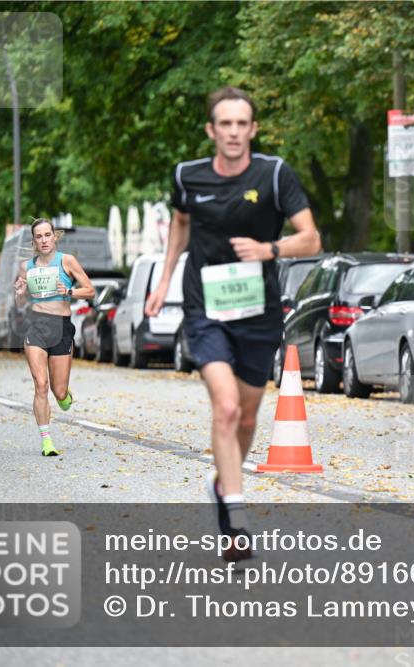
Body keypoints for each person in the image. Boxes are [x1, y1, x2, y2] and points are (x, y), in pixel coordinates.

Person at [145, 86, 320, 561]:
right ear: (211, 130)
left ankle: (222, 483)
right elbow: (181, 224)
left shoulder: (275, 173)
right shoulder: (187, 176)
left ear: (253, 129)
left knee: (245, 415)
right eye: (225, 124)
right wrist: (163, 282)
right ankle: (237, 515)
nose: (234, 133)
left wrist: (270, 250)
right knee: (224, 407)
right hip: (206, 310)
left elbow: (311, 238)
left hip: (258, 312)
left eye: (243, 124)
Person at [13, 218, 95, 456]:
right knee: (41, 385)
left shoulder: (67, 261)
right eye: (39, 237)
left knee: (59, 392)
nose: (44, 240)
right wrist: (19, 294)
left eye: (47, 235)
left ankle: (64, 396)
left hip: (61, 327)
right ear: (34, 241)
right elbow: (20, 302)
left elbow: (90, 290)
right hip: (37, 326)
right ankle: (46, 441)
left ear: (54, 236)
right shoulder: (26, 267)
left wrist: (69, 291)